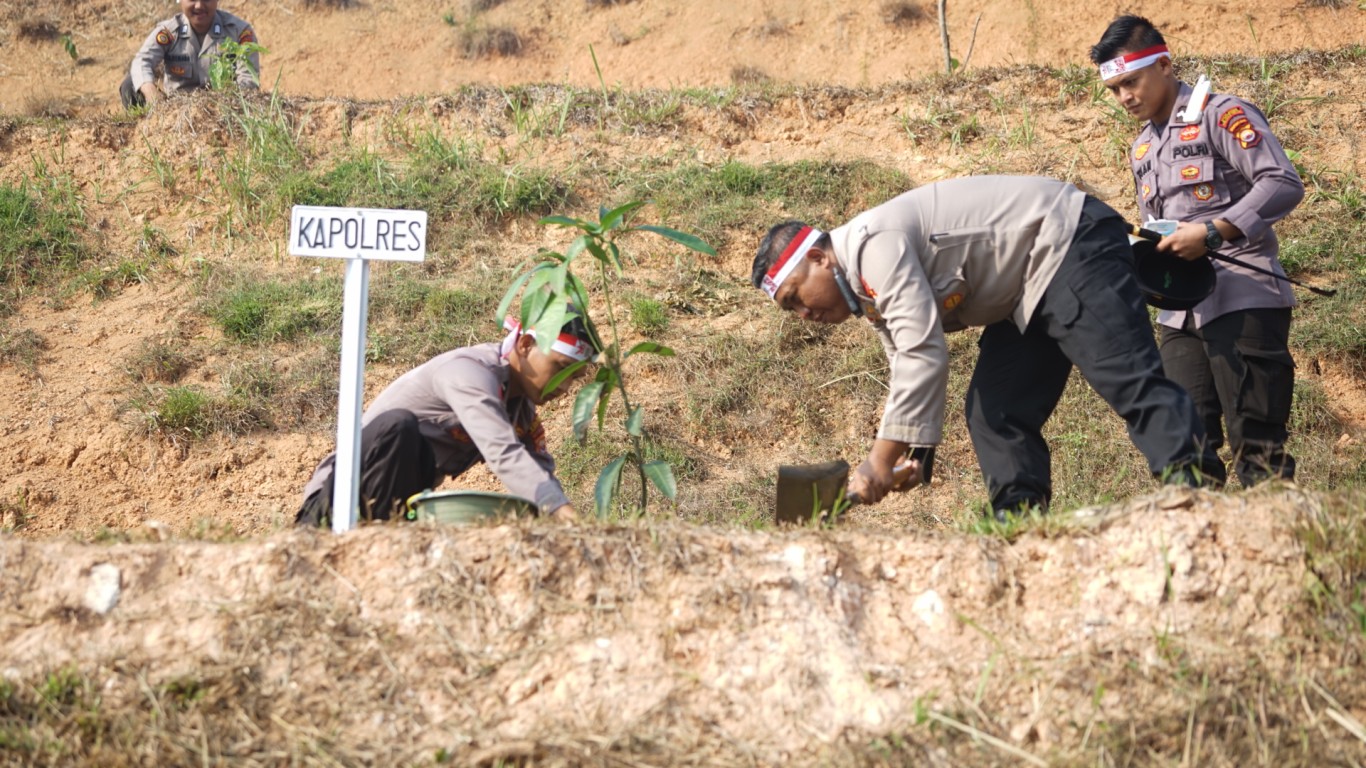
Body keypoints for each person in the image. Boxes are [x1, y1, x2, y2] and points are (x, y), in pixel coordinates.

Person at [752, 175, 1219, 518]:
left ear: (818, 258)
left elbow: (922, 353)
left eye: (796, 297)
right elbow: (905, 366)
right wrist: (912, 457)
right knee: (995, 410)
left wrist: (878, 461)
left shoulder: (873, 245)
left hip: (1068, 241)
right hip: (1023, 290)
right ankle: (1019, 524)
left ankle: (1193, 491)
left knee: (1122, 373)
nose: (804, 314)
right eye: (791, 310)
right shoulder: (863, 287)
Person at [1091, 16, 1305, 487]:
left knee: (1259, 450)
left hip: (1243, 295)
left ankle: (1277, 531)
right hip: (1179, 313)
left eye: (1131, 82)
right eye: (1115, 89)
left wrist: (1212, 232)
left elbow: (1282, 182)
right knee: (1183, 451)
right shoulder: (1142, 148)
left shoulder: (1221, 114)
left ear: (1164, 65)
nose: (1124, 96)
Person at [296, 312, 595, 527]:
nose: (565, 386)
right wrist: (562, 513)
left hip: (399, 505)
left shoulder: (520, 410)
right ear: (526, 344)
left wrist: (570, 521)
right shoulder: (469, 373)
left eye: (575, 377)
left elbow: (540, 475)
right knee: (397, 427)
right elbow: (503, 452)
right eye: (561, 368)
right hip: (334, 503)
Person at [120, 0, 261, 110]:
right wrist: (151, 92)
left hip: (225, 108)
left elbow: (248, 80)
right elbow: (142, 60)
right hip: (176, 108)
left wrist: (224, 104)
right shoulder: (169, 32)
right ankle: (144, 131)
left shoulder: (239, 32)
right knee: (131, 85)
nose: (199, 5)